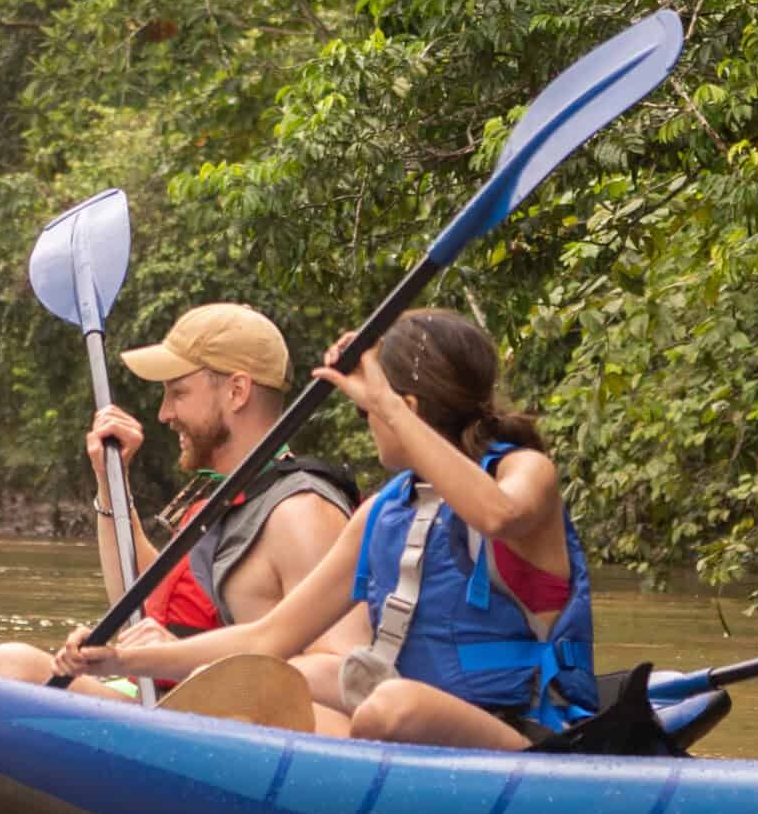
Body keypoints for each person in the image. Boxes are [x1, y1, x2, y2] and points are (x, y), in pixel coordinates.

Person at [56, 309, 595, 749]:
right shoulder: (381, 515)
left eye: (367, 413)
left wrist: (386, 402)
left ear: (405, 408)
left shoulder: (524, 472)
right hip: (418, 737)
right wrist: (122, 657)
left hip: (527, 734)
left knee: (389, 703)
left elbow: (497, 515)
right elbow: (268, 638)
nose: (369, 424)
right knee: (290, 674)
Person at [0, 302, 357, 693]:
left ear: (237, 391)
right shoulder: (222, 498)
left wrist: (180, 659)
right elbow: (137, 605)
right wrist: (109, 482)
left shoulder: (301, 512)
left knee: (14, 665)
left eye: (178, 393)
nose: (163, 414)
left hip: (209, 731)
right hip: (152, 702)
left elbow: (346, 673)